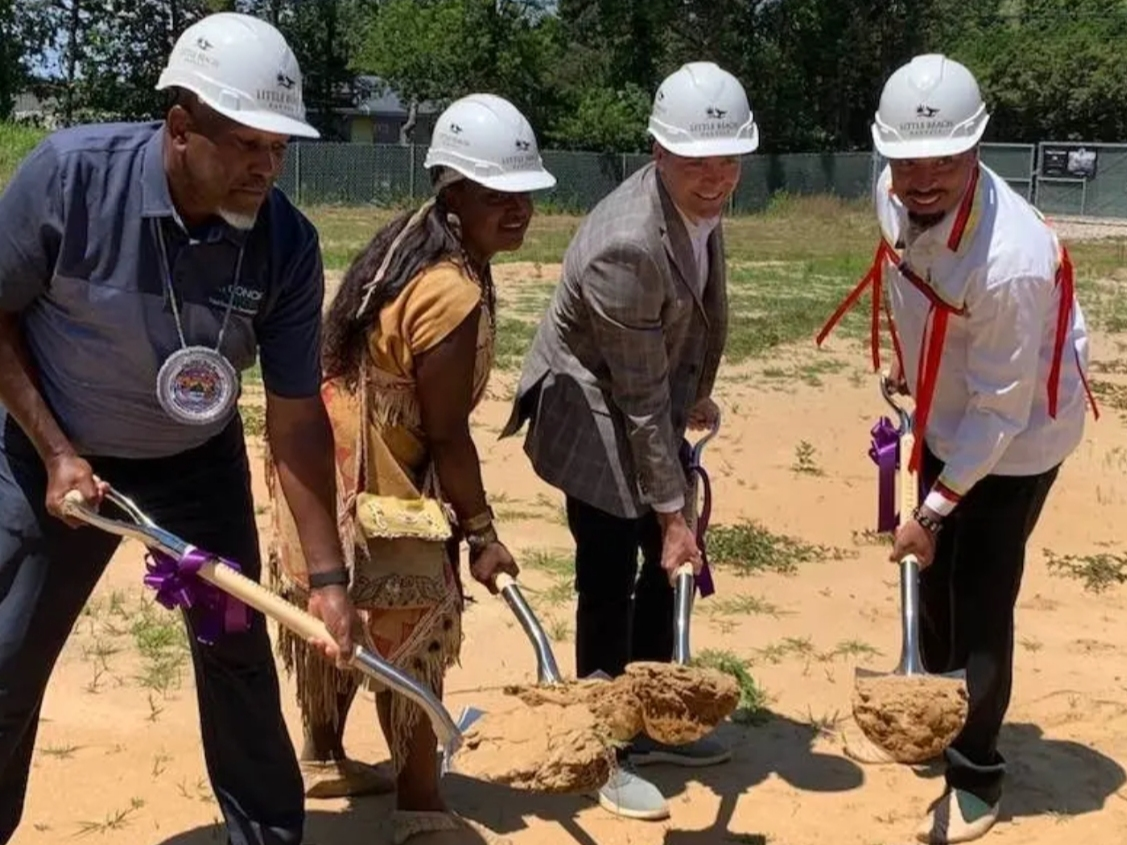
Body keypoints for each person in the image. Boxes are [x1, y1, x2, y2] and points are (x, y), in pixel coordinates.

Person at [0, 12, 362, 845]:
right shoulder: (69, 179)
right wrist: (57, 451)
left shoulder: (285, 245)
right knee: (9, 656)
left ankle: (266, 835)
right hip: (52, 454)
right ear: (181, 129)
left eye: (277, 150)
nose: (264, 170)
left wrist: (326, 576)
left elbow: (297, 418)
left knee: (236, 654)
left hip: (195, 465)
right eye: (244, 145)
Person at [816, 54, 1098, 844]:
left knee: (979, 594)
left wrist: (934, 508)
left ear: (976, 149)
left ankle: (975, 764)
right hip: (944, 409)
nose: (924, 177)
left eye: (944, 158)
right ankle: (933, 712)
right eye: (908, 160)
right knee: (930, 579)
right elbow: (911, 285)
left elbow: (1000, 410)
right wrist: (907, 369)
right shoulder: (890, 196)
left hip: (1017, 436)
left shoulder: (1011, 263)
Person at [265, 92, 556, 844]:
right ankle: (419, 801)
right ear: (453, 193)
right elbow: (449, 434)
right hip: (384, 485)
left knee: (330, 611)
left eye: (524, 193)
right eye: (497, 194)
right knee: (419, 627)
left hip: (326, 468)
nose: (516, 209)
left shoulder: (406, 249)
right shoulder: (450, 288)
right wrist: (482, 531)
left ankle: (324, 751)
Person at [499, 61, 758, 821]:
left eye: (727, 159)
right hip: (591, 410)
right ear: (656, 151)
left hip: (639, 397)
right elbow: (638, 399)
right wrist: (674, 514)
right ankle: (602, 742)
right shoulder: (628, 244)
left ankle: (651, 717)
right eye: (695, 160)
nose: (714, 177)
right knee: (610, 567)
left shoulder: (697, 207)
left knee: (660, 566)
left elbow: (687, 319)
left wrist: (696, 390)